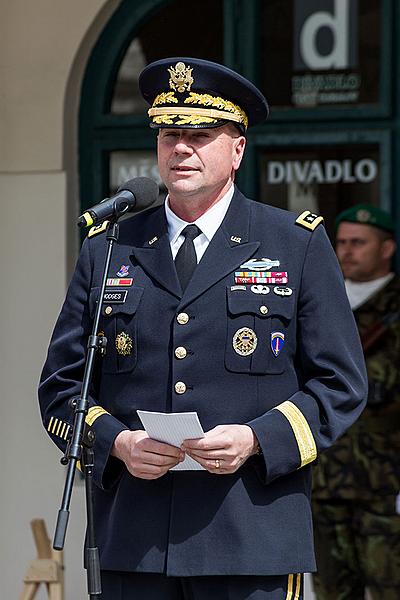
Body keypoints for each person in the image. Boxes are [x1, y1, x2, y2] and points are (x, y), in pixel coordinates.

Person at [39, 57, 367, 600]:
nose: (181, 148)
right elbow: (61, 388)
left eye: (201, 134)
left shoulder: (294, 243)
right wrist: (117, 442)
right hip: (133, 540)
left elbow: (341, 385)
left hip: (250, 534)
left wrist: (256, 439)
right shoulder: (110, 247)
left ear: (237, 149)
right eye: (170, 134)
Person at [312, 203, 400, 600]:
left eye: (358, 243)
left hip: (386, 485)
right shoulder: (318, 300)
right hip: (324, 480)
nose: (346, 251)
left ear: (386, 249)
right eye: (341, 242)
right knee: (331, 590)